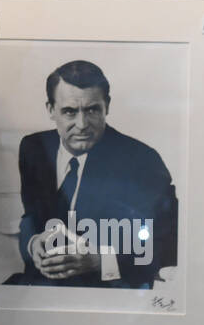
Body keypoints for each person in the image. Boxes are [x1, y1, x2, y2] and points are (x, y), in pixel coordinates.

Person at [10, 60, 179, 288]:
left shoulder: (142, 160)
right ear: (50, 110)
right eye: (70, 112)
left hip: (108, 292)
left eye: (92, 110)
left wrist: (100, 261)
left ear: (106, 106)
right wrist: (32, 243)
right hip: (40, 286)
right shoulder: (34, 147)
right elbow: (31, 215)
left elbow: (165, 244)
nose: (82, 124)